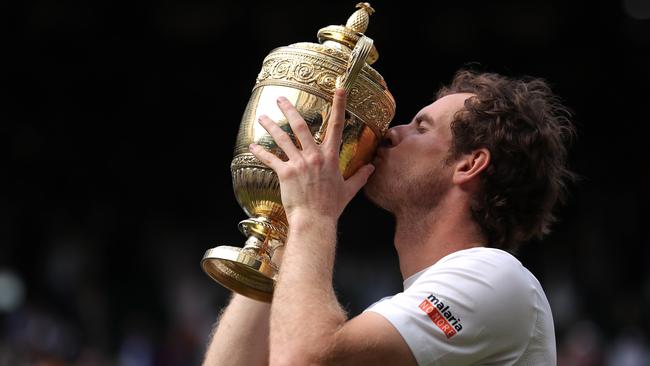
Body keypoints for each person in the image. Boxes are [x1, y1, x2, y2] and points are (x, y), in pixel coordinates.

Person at [202, 70, 575, 365]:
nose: (391, 134)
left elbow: (304, 359)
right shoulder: (397, 315)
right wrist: (282, 226)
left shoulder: (495, 277)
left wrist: (312, 214)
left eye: (420, 128)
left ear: (469, 164)